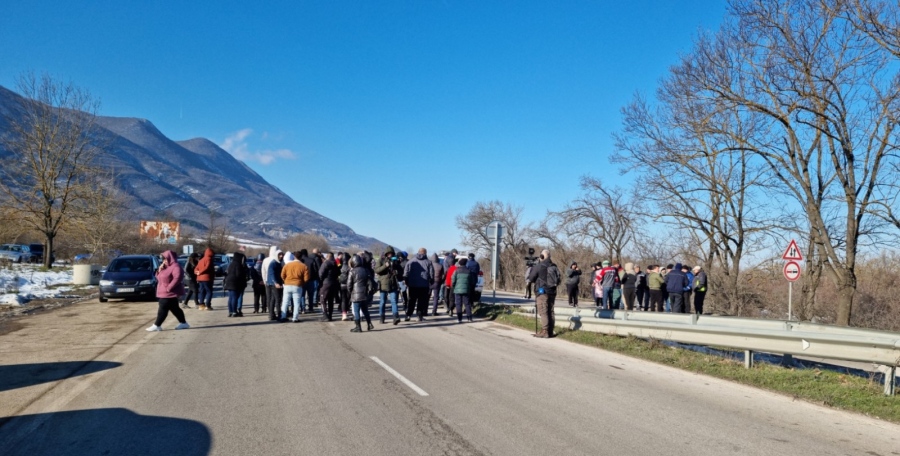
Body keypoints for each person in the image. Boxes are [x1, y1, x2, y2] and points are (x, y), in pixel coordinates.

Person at [146, 250, 190, 331]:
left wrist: (169, 288)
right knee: (175, 308)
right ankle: (183, 323)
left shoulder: (176, 266)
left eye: (166, 259)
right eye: (163, 259)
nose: (164, 261)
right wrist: (159, 270)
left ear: (171, 258)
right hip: (163, 291)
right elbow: (159, 278)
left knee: (163, 307)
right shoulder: (165, 267)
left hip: (169, 292)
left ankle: (157, 325)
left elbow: (178, 278)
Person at [526, 249, 560, 338]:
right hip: (552, 291)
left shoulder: (539, 266)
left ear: (542, 256)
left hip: (542, 292)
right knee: (551, 311)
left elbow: (531, 278)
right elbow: (559, 279)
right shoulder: (554, 266)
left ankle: (544, 331)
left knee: (543, 311)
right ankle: (550, 331)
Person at [403, 248, 434, 322]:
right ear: (425, 253)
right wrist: (430, 282)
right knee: (421, 301)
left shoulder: (411, 261)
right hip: (424, 285)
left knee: (411, 300)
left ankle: (408, 315)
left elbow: (406, 273)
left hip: (413, 285)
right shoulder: (428, 262)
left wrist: (407, 282)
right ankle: (419, 316)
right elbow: (431, 274)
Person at [375, 247, 403, 325]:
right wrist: (385, 266)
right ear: (386, 254)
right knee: (382, 302)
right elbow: (376, 270)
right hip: (383, 284)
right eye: (389, 253)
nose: (390, 255)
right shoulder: (381, 260)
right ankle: (382, 317)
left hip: (393, 284)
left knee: (394, 301)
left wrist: (396, 272)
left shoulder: (395, 261)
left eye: (391, 254)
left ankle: (396, 317)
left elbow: (401, 271)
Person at [347, 254, 374, 332]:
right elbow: (369, 281)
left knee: (356, 311)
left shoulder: (352, 271)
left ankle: (358, 327)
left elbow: (349, 284)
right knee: (365, 310)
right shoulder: (365, 270)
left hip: (355, 294)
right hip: (364, 293)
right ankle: (369, 323)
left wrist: (350, 292)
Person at [280, 251, 309, 322]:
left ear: (294, 257)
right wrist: (301, 282)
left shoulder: (287, 265)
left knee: (285, 302)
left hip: (287, 285)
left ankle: (283, 316)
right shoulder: (304, 266)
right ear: (301, 257)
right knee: (296, 303)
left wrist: (286, 280)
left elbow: (282, 275)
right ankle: (295, 318)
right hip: (297, 285)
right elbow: (306, 278)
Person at [224, 250, 249, 317]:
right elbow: (239, 275)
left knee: (231, 298)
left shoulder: (231, 264)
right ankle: (234, 311)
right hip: (235, 283)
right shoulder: (238, 265)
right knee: (235, 297)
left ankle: (230, 311)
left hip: (229, 282)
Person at [451, 257, 475, 323]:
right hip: (466, 290)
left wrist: (453, 286)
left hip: (457, 290)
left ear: (459, 264)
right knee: (467, 304)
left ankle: (459, 319)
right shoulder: (469, 271)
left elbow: (453, 280)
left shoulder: (456, 271)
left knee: (458, 304)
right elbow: (472, 281)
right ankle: (469, 318)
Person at [318, 252, 340, 321]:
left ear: (327, 257)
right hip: (334, 283)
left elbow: (321, 274)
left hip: (326, 283)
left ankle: (325, 314)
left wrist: (320, 281)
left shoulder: (325, 263)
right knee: (331, 300)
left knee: (323, 299)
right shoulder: (336, 264)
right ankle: (330, 315)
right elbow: (338, 273)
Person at [264, 249, 284, 321]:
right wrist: (276, 283)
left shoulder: (278, 263)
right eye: (279, 255)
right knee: (278, 299)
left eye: (282, 254)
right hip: (274, 284)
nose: (281, 256)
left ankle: (272, 315)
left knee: (273, 299)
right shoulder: (274, 263)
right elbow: (272, 274)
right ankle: (279, 315)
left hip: (273, 283)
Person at [337, 252, 352, 321]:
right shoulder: (350, 267)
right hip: (349, 285)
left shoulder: (339, 266)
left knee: (343, 299)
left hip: (341, 284)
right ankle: (347, 310)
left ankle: (344, 314)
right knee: (348, 299)